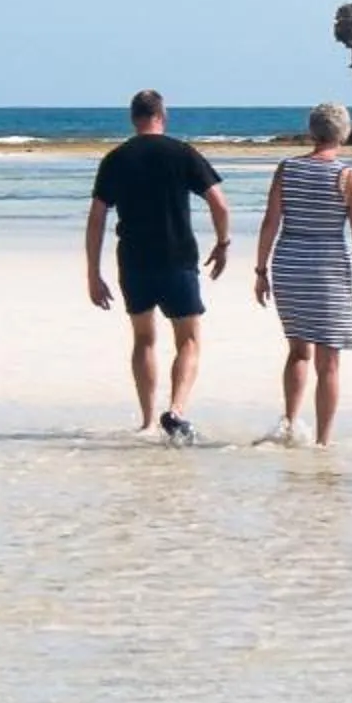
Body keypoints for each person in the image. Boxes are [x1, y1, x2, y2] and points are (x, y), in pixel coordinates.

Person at [86, 89, 231, 444]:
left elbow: (97, 218)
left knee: (144, 339)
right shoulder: (181, 153)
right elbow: (219, 203)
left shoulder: (116, 158)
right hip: (177, 258)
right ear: (162, 116)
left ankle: (148, 421)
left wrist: (93, 273)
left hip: (134, 260)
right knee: (189, 340)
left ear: (133, 118)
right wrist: (222, 243)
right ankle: (176, 411)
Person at [252, 101, 352, 446]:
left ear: (312, 131)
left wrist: (261, 269)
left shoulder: (287, 168)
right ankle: (323, 441)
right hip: (327, 268)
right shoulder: (348, 177)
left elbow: (270, 222)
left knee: (298, 350)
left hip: (289, 263)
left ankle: (290, 423)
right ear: (344, 133)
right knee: (329, 360)